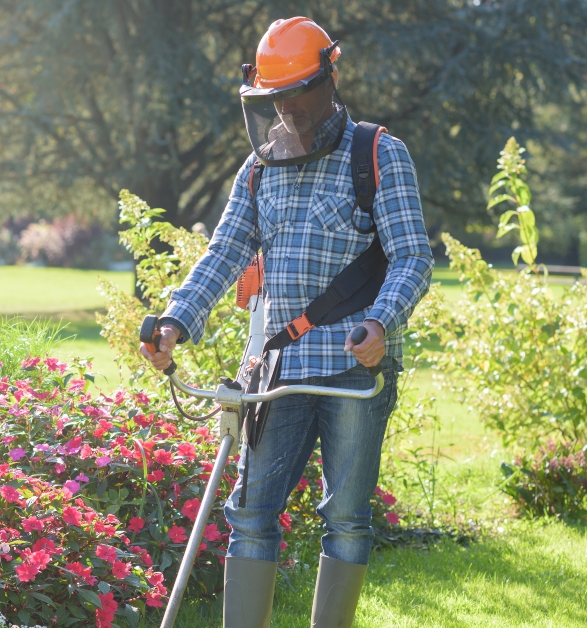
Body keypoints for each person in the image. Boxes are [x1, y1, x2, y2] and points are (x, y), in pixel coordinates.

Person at [139, 17, 432, 628]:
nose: (287, 113)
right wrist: (175, 321)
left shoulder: (377, 153)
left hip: (354, 369)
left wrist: (381, 323)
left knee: (346, 518)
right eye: (275, 101)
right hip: (281, 371)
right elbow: (223, 254)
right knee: (250, 512)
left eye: (297, 97)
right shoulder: (258, 169)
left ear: (326, 81)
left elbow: (412, 257)